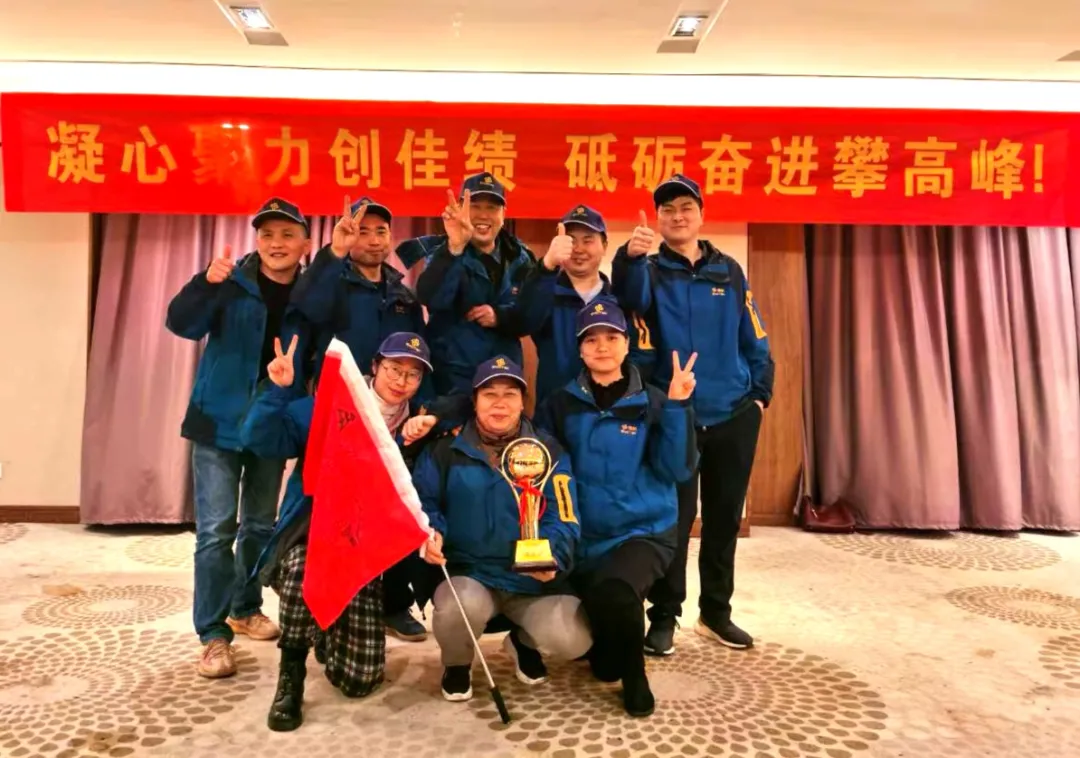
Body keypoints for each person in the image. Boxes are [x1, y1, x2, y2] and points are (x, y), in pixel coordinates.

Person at [242, 331, 451, 732]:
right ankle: (291, 670)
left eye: (413, 374)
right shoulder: (332, 404)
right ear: (375, 366)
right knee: (303, 571)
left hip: (367, 551)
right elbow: (259, 439)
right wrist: (277, 390)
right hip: (312, 532)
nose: (401, 381)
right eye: (394, 369)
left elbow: (427, 489)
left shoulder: (419, 427)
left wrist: (433, 528)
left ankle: (329, 630)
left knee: (359, 681)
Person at [612, 174, 775, 656]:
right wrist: (629, 257)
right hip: (676, 416)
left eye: (685, 207)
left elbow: (754, 334)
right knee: (674, 521)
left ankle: (716, 613)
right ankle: (664, 615)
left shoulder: (729, 271)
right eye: (667, 210)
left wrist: (759, 395)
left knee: (723, 520)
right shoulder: (649, 270)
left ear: (701, 215)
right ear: (658, 219)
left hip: (733, 413)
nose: (677, 216)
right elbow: (629, 298)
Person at [165, 196, 312, 678]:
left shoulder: (309, 296)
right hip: (217, 423)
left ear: (305, 243)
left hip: (270, 425)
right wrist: (204, 283)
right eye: (267, 234)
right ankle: (212, 634)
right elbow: (181, 324)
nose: (276, 243)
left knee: (260, 526)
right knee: (215, 532)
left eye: (287, 234)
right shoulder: (230, 283)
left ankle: (245, 607)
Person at [535, 299, 698, 717]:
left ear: (627, 344)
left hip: (641, 530)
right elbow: (547, 471)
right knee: (596, 655)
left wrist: (679, 406)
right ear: (580, 349)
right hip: (582, 534)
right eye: (591, 339)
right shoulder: (558, 404)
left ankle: (636, 676)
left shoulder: (655, 402)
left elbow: (677, 469)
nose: (602, 347)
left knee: (616, 593)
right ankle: (611, 654)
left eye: (612, 337)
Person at [288, 194, 430, 641]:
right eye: (362, 230)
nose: (371, 239)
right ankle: (328, 598)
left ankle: (394, 603)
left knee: (396, 503)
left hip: (392, 415)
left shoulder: (402, 294)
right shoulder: (331, 279)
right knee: (332, 511)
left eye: (380, 231)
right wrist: (334, 253)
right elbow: (305, 308)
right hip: (341, 415)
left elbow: (419, 354)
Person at [413, 355, 592, 702]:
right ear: (474, 401)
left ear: (523, 402)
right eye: (489, 394)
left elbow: (564, 514)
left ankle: (522, 642)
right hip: (472, 574)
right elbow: (425, 502)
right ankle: (457, 664)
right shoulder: (445, 449)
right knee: (456, 610)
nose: (499, 403)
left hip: (531, 582)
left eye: (510, 394)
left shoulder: (549, 451)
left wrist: (553, 557)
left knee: (575, 639)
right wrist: (432, 531)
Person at [409, 173, 535, 395]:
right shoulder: (444, 253)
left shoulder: (520, 257)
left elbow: (531, 317)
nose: (483, 215)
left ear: (503, 214)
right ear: (461, 210)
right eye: (475, 206)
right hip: (452, 379)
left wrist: (500, 317)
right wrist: (455, 248)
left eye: (492, 208)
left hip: (503, 376)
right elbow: (430, 298)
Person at [518, 205, 656, 402]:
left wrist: (621, 392)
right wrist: (547, 265)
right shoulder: (545, 295)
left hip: (609, 410)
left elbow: (641, 353)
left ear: (605, 245)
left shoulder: (618, 300)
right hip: (555, 408)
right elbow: (524, 320)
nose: (579, 249)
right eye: (571, 240)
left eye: (588, 240)